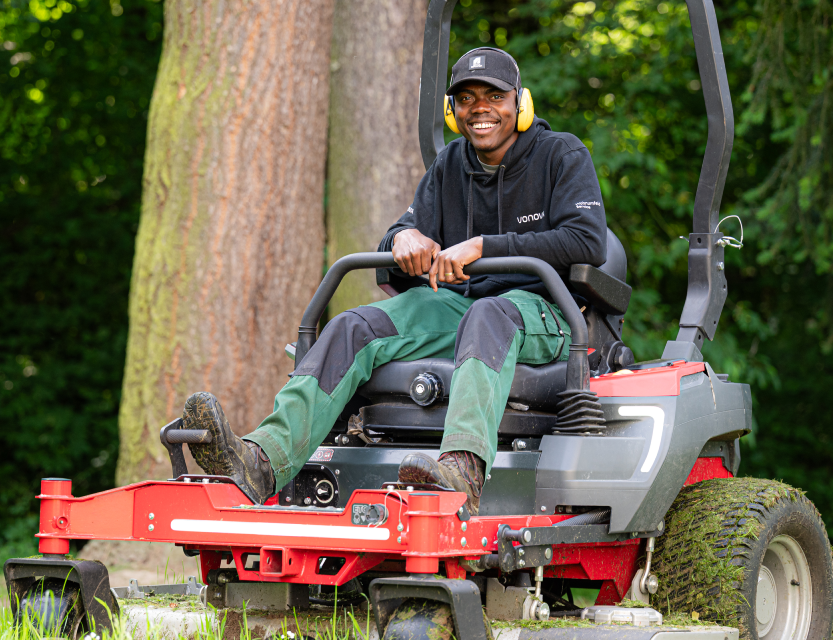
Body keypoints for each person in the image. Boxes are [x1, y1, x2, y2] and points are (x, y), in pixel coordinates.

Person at [179, 48, 607, 513]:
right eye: (465, 98)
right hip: (461, 309)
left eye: (493, 96)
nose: (479, 108)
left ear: (519, 103)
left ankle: (462, 469)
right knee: (352, 326)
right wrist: (404, 237)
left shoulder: (561, 154)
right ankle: (262, 461)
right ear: (452, 111)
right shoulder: (450, 166)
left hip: (546, 310)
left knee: (489, 313)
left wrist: (484, 246)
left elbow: (586, 242)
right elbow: (398, 234)